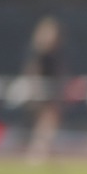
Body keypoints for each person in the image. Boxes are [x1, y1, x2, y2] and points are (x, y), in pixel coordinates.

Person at [20, 15, 64, 163]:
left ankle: (39, 154)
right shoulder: (38, 54)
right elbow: (32, 72)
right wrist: (34, 90)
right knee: (43, 125)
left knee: (47, 126)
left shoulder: (54, 54)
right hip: (41, 93)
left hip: (50, 93)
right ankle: (36, 155)